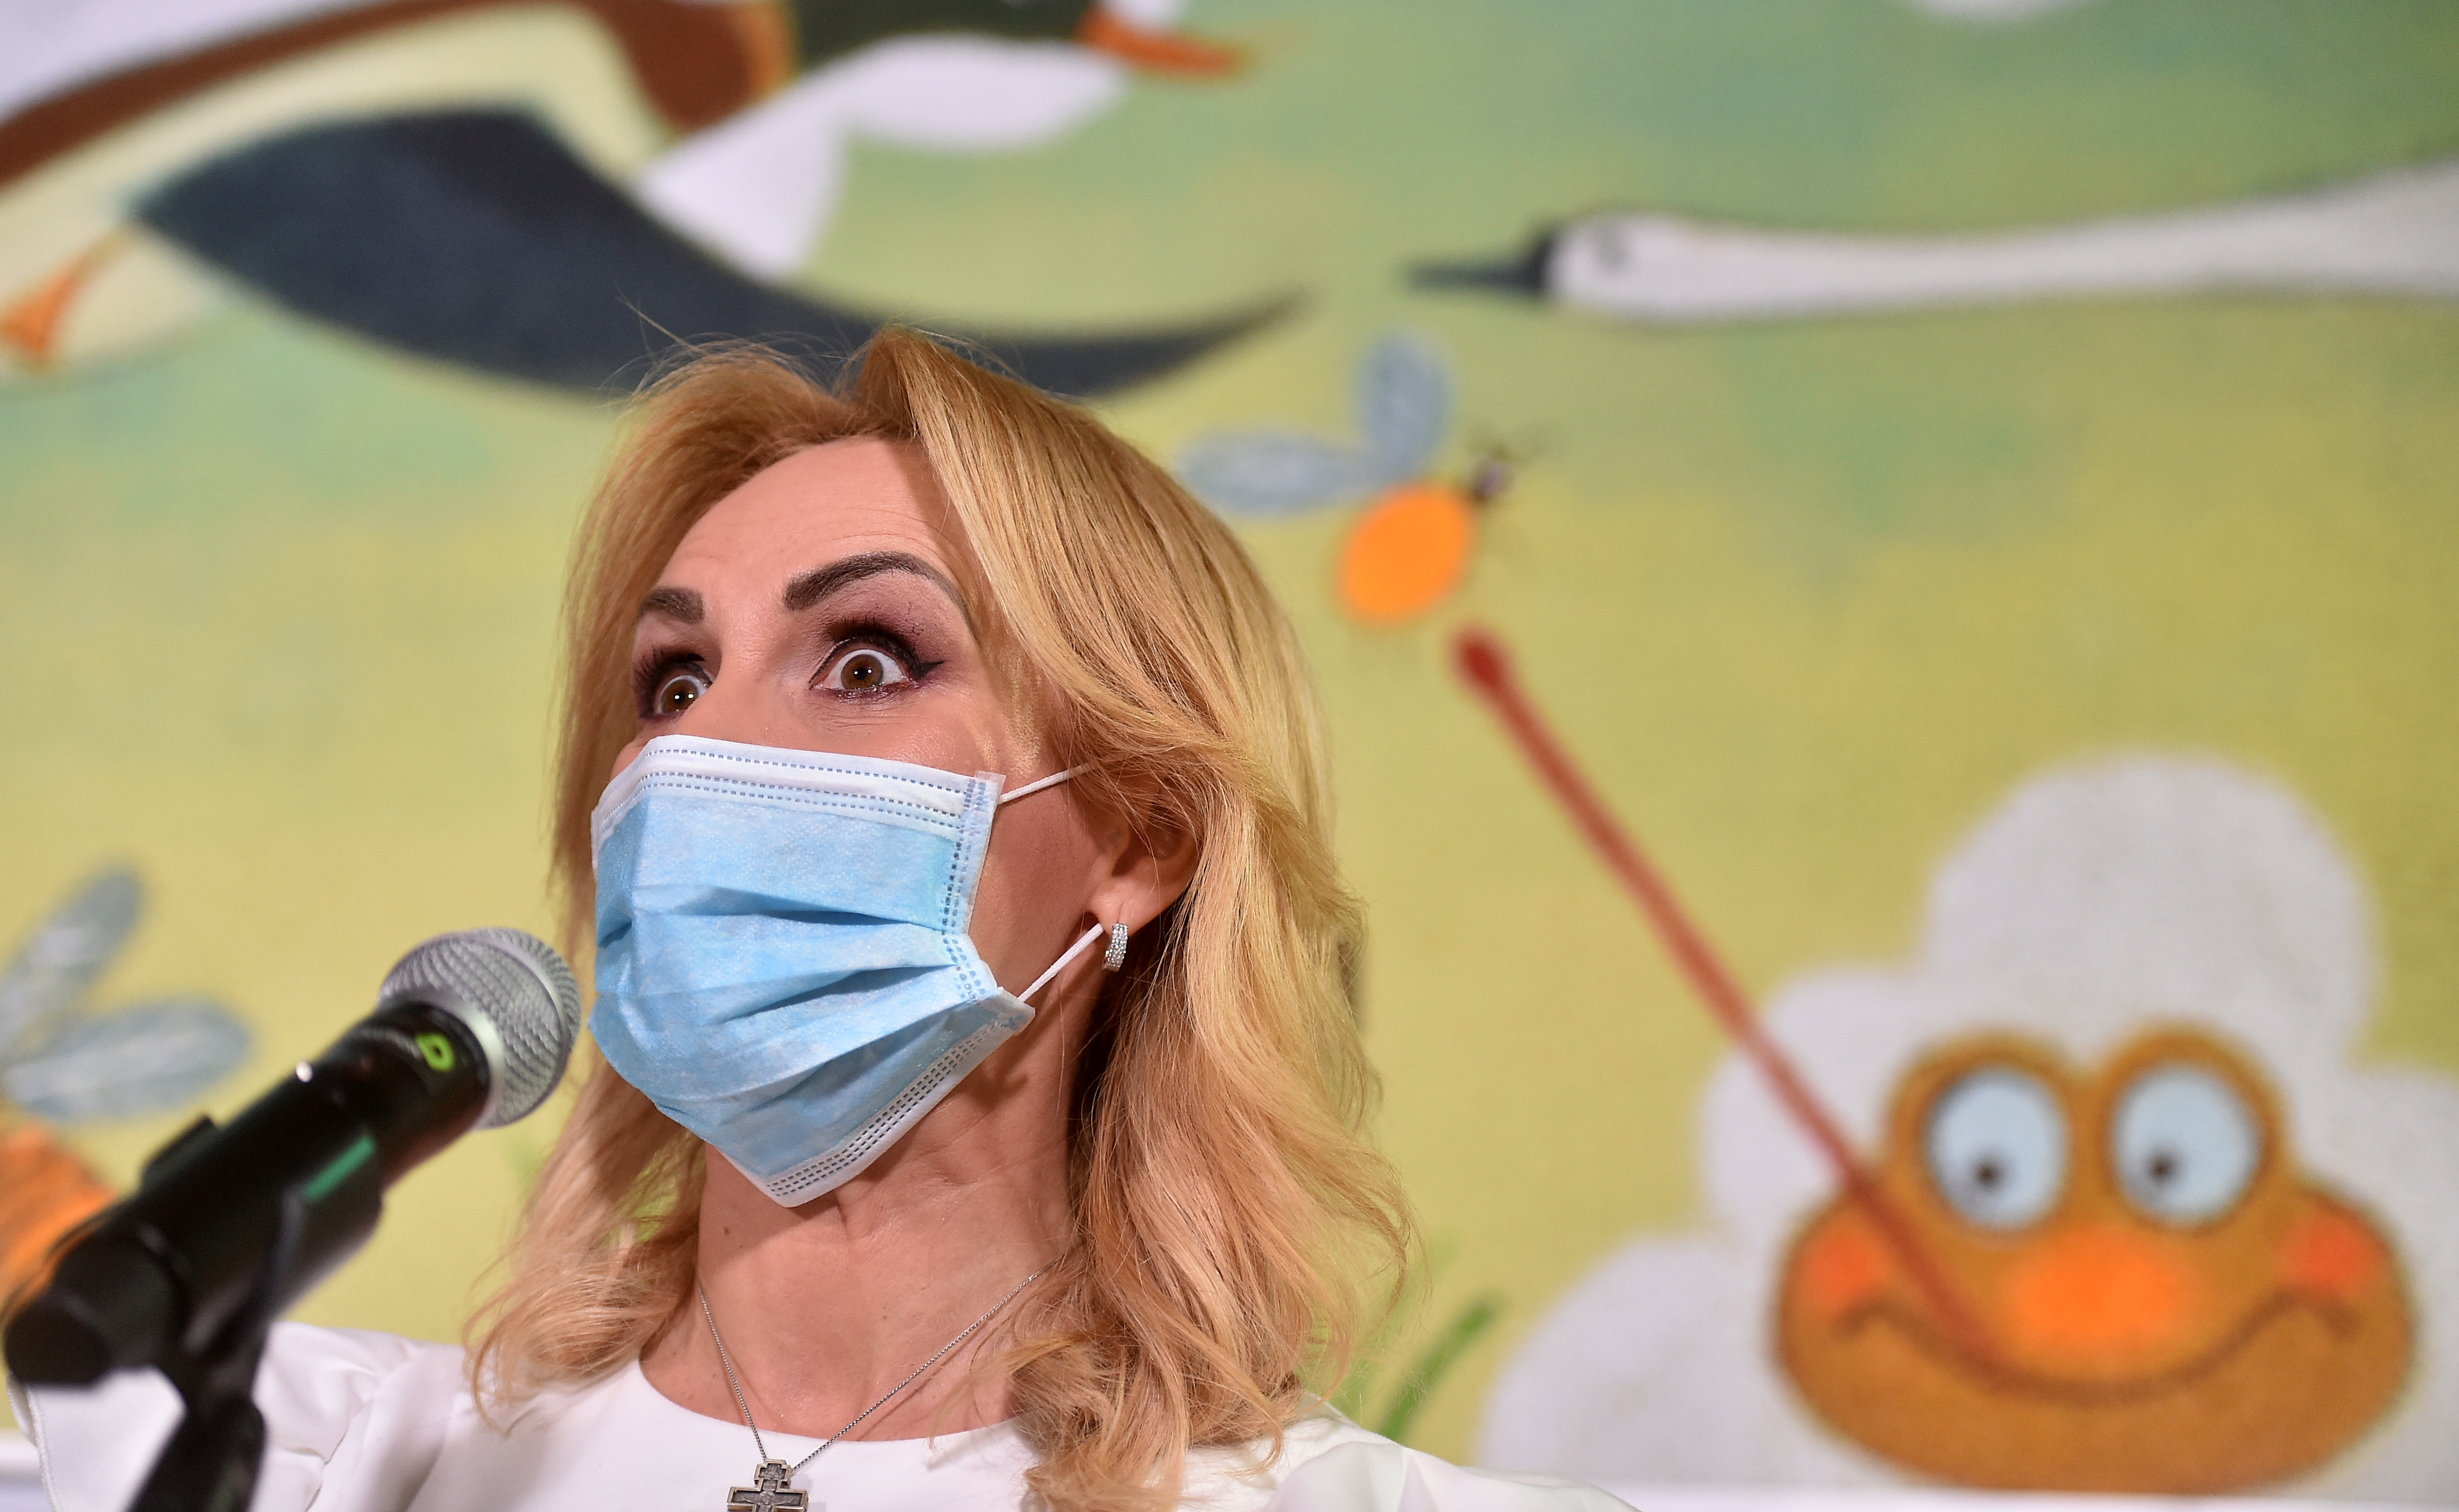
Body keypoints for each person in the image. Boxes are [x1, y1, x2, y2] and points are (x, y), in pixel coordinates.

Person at [12, 333, 1628, 1512]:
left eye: (865, 661)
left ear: (1141, 841)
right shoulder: (310, 1469)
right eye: (672, 681)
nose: (695, 751)